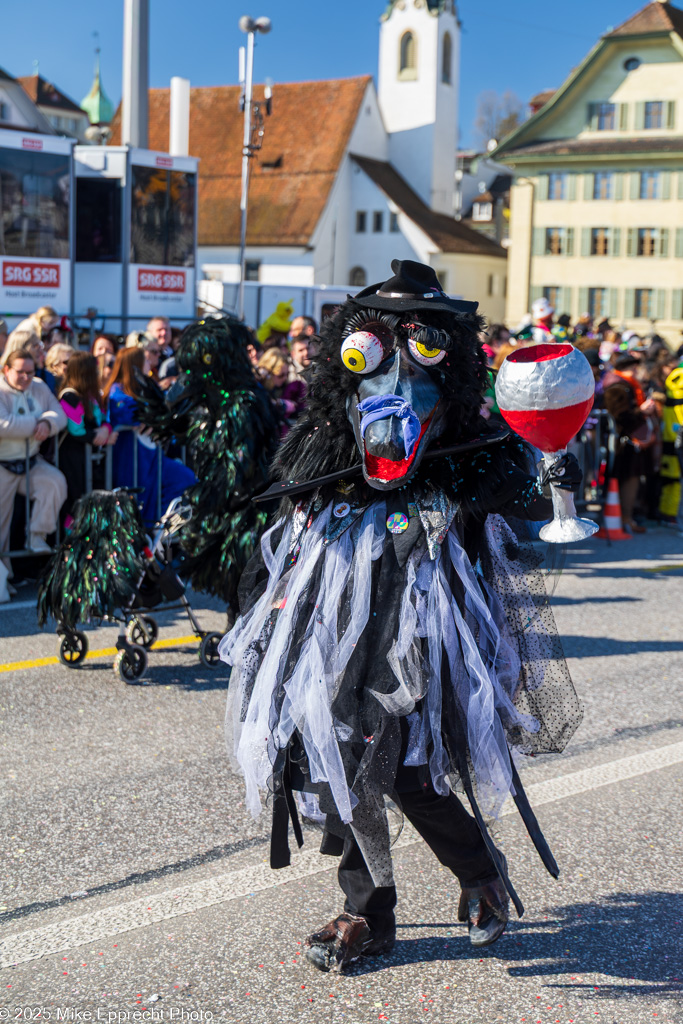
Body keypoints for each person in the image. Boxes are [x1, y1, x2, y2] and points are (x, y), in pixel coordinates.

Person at [219, 259, 584, 973]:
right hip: (335, 625)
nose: (392, 385)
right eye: (372, 355)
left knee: (408, 768)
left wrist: (552, 478)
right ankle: (367, 913)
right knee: (340, 760)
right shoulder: (324, 437)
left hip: (430, 624)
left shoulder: (472, 445)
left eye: (419, 356)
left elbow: (522, 504)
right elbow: (288, 517)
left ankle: (478, 874)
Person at [104, 348, 196, 524]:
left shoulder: (146, 387)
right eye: (145, 360)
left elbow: (164, 408)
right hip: (131, 457)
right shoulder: (117, 390)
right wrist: (148, 416)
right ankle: (144, 537)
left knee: (186, 479)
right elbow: (125, 412)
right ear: (134, 365)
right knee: (137, 502)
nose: (149, 364)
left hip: (152, 456)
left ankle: (160, 528)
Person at [0, 349, 67, 565]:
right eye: (20, 372)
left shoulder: (38, 385)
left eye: (30, 372)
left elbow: (60, 414)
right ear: (6, 369)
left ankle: (37, 535)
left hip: (30, 461)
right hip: (2, 464)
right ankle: (4, 578)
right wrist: (38, 422)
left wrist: (48, 423)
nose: (26, 377)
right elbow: (4, 425)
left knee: (55, 483)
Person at [58, 353, 118, 518]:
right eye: (95, 370)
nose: (98, 374)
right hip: (73, 460)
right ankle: (73, 541)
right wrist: (101, 437)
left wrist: (106, 429)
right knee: (76, 505)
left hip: (92, 461)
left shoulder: (92, 396)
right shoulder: (69, 396)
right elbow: (76, 429)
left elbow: (105, 418)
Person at [603, 353, 657, 533]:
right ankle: (624, 518)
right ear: (631, 367)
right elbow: (620, 416)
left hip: (629, 442)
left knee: (631, 480)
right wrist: (641, 411)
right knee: (627, 481)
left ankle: (627, 517)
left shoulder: (626, 384)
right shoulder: (617, 386)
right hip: (623, 443)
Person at [657, 353, 683, 524]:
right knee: (672, 477)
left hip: (672, 434)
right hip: (675, 435)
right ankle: (668, 513)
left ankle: (668, 512)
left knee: (672, 476)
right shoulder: (678, 378)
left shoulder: (675, 378)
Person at [256, 348, 306, 433]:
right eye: (280, 375)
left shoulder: (282, 387)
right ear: (269, 373)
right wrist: (281, 404)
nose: (285, 378)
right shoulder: (257, 386)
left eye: (287, 374)